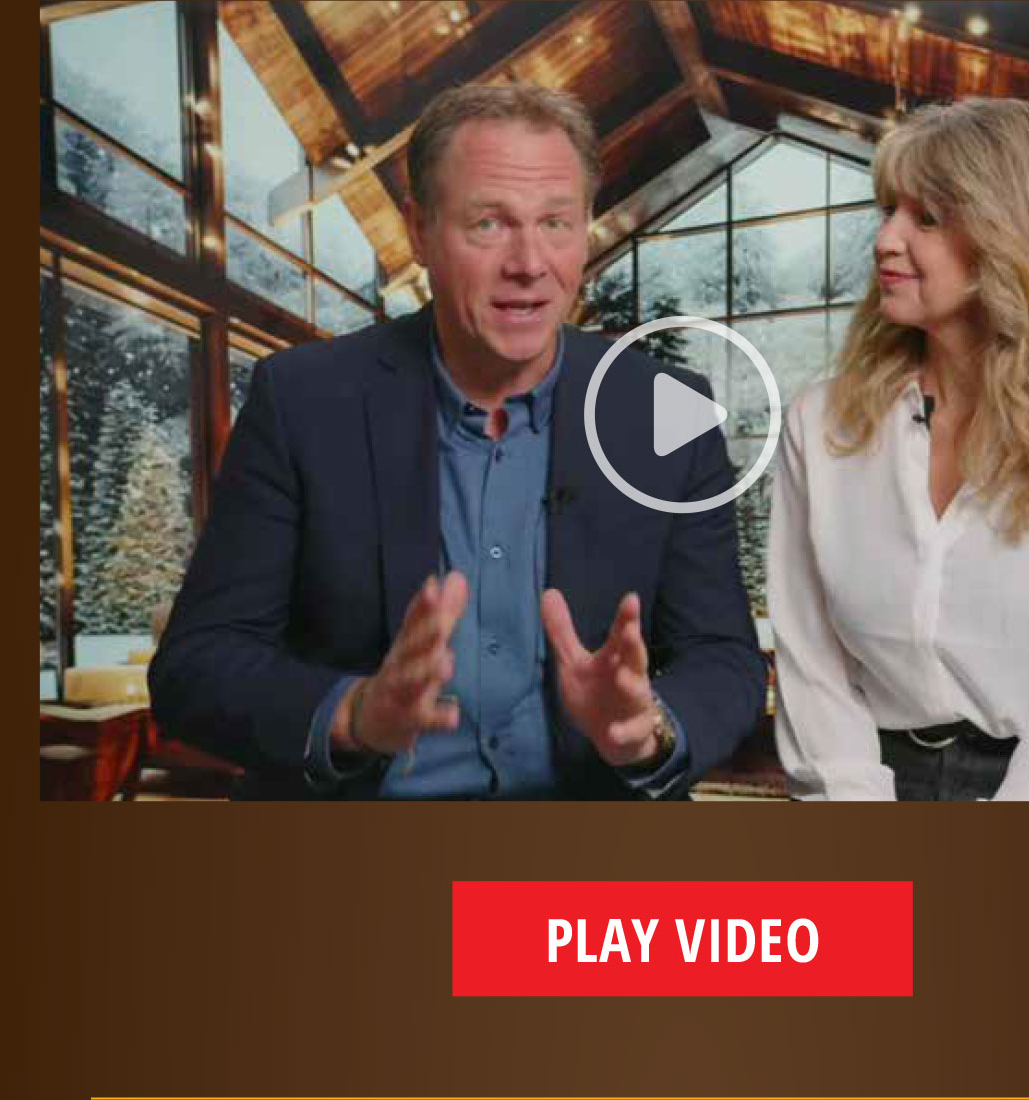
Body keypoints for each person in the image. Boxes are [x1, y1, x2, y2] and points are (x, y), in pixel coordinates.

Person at [150, 83, 765, 799]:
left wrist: (647, 728)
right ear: (419, 230)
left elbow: (724, 657)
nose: (530, 262)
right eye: (488, 223)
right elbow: (196, 666)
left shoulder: (670, 411)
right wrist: (353, 713)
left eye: (556, 222)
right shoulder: (301, 402)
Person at [767, 98, 1029, 801]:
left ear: (1013, 235)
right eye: (888, 211)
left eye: (927, 218)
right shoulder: (820, 424)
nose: (886, 240)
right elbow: (811, 665)